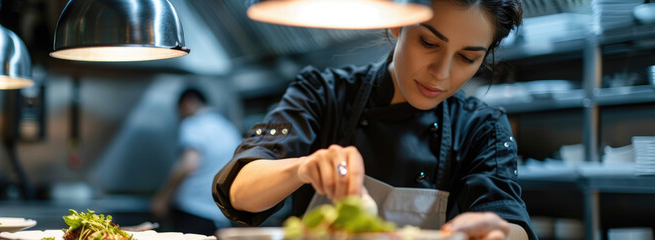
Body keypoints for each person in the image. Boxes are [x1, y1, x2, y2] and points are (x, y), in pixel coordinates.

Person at [214, 0, 536, 239]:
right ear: (397, 24)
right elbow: (239, 190)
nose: (442, 73)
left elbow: (512, 222)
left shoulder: (482, 128)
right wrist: (303, 168)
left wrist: (500, 232)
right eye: (428, 42)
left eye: (467, 58)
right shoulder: (323, 93)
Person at [152, 88, 241, 236]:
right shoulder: (228, 128)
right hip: (220, 214)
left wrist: (163, 197)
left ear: (188, 103)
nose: (180, 117)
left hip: (192, 210)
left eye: (180, 111)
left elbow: (188, 164)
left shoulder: (194, 124)